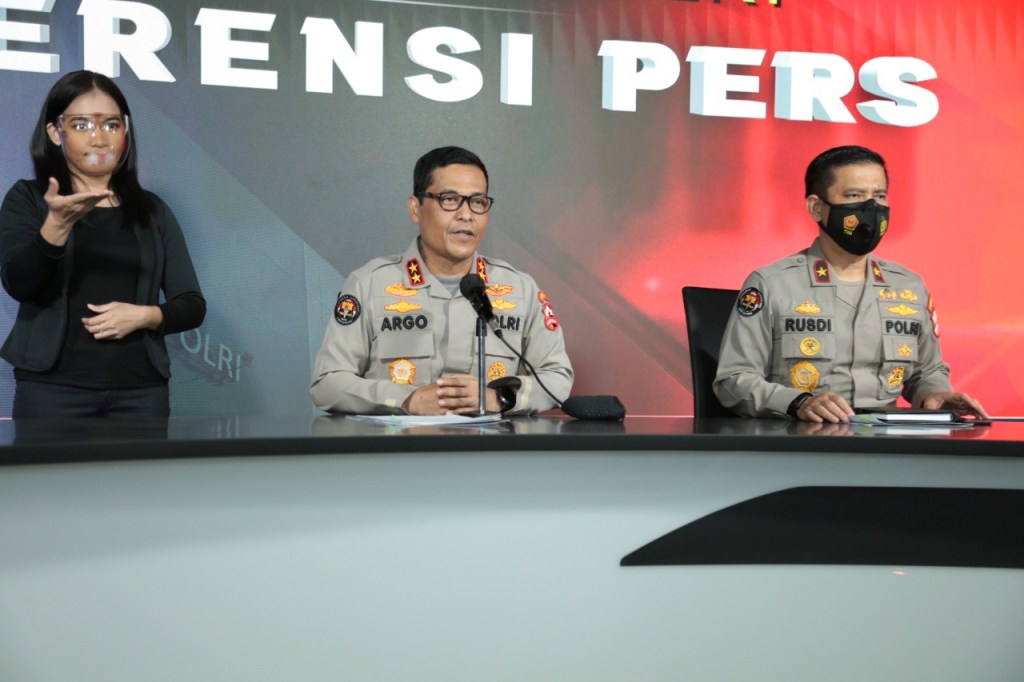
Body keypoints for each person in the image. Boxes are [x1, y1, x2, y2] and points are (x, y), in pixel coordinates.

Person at [713, 145, 986, 423]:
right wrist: (798, 402)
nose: (871, 208)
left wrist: (934, 394)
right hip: (802, 437)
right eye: (854, 195)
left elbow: (926, 371)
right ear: (816, 207)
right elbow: (734, 380)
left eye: (879, 196)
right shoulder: (772, 284)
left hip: (888, 439)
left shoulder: (909, 287)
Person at [0, 71, 205, 418]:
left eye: (111, 124)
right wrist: (55, 227)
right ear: (55, 132)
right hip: (52, 392)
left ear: (125, 131)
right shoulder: (29, 199)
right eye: (81, 125)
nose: (99, 138)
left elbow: (192, 304)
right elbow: (18, 283)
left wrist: (144, 316)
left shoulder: (152, 210)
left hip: (142, 394)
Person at [311, 146, 573, 415]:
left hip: (491, 442)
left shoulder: (520, 289)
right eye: (450, 199)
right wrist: (406, 400)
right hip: (402, 442)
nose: (466, 215)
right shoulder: (369, 284)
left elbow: (557, 377)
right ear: (416, 208)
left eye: (478, 202)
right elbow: (327, 383)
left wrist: (500, 398)